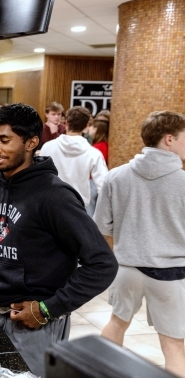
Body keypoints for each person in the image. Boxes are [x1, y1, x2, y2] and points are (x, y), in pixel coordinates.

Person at [0, 103, 118, 377]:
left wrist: (46, 309)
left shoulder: (55, 196)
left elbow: (103, 264)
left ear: (31, 142)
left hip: (34, 324)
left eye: (4, 140)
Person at [95, 111, 185, 378]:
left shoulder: (116, 176)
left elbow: (102, 225)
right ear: (169, 139)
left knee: (116, 324)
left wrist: (130, 231)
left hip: (127, 269)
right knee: (173, 346)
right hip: (171, 274)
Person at [40, 106, 108, 213]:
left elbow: (39, 178)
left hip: (50, 205)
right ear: (86, 126)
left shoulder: (48, 147)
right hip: (78, 207)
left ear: (66, 123)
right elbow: (104, 186)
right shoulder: (94, 153)